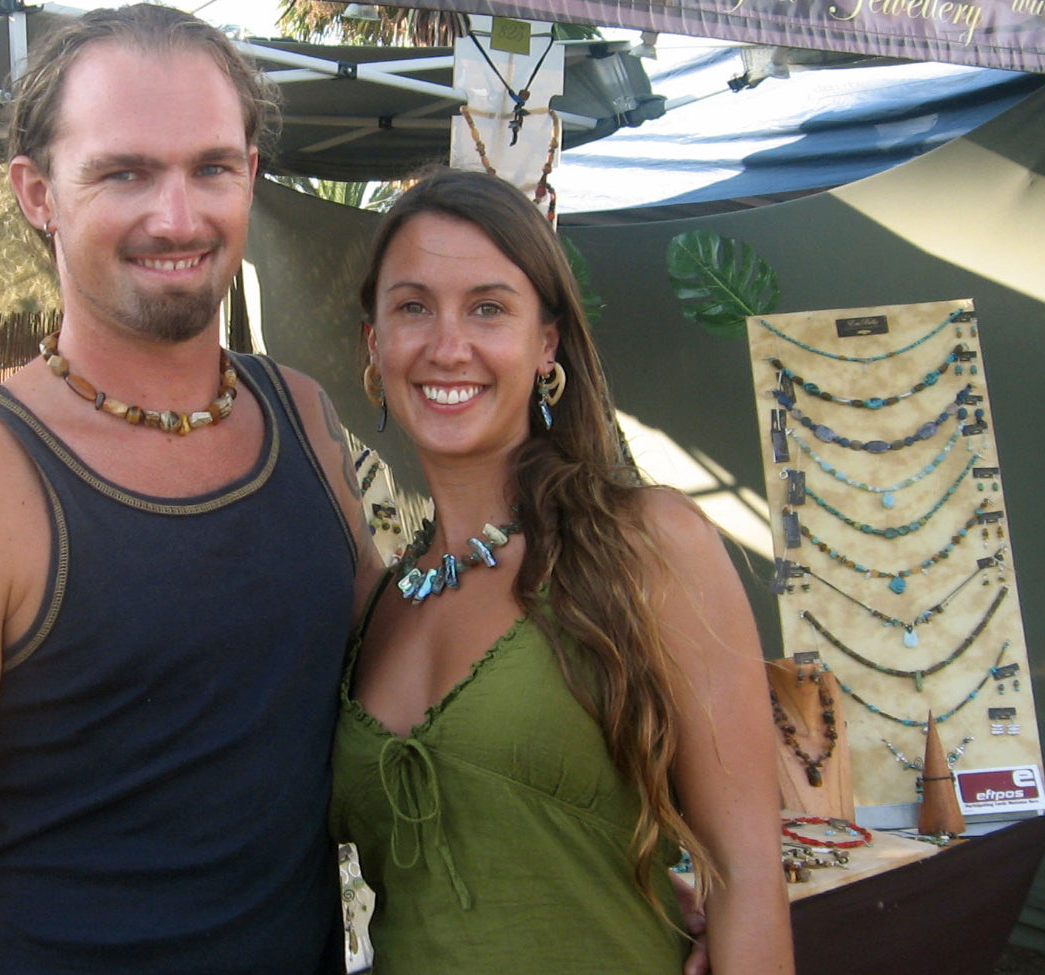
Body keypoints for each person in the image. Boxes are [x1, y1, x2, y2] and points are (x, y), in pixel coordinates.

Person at [0, 6, 373, 972]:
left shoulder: (303, 421)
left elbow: (410, 694)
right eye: (125, 172)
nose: (178, 217)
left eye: (211, 166)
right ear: (37, 192)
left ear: (252, 173)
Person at [329, 169, 793, 974]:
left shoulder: (647, 543)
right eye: (412, 306)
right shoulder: (379, 603)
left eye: (488, 307)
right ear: (374, 343)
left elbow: (747, 876)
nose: (447, 345)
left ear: (546, 342)